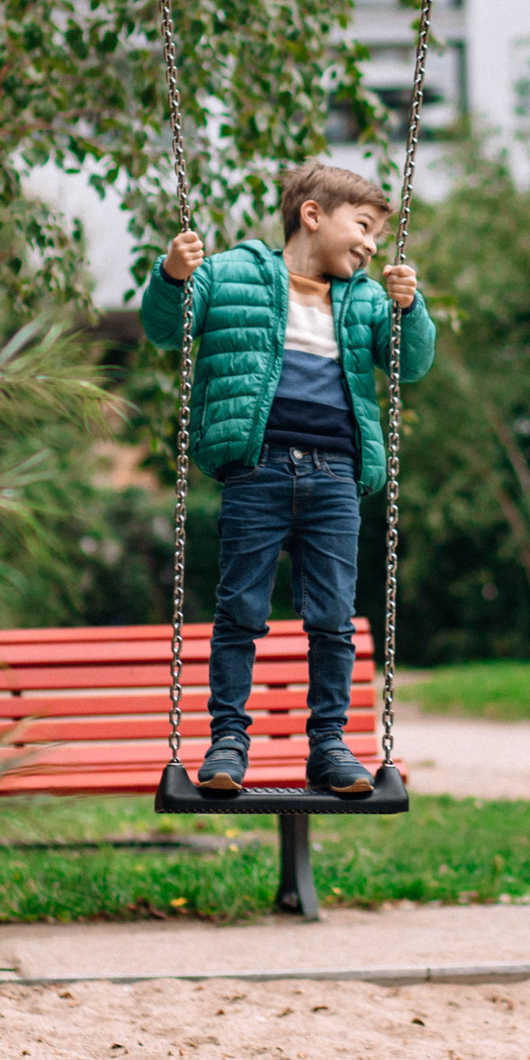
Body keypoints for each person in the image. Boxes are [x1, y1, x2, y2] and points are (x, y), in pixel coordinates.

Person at [143, 162, 434, 793]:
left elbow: (410, 366)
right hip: (257, 468)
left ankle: (329, 746)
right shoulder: (229, 274)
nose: (370, 244)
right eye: (361, 227)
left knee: (332, 617)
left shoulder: (368, 300)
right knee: (240, 609)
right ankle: (228, 744)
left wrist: (411, 310)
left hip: (335, 479)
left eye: (378, 236)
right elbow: (165, 328)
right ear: (312, 215)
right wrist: (172, 274)